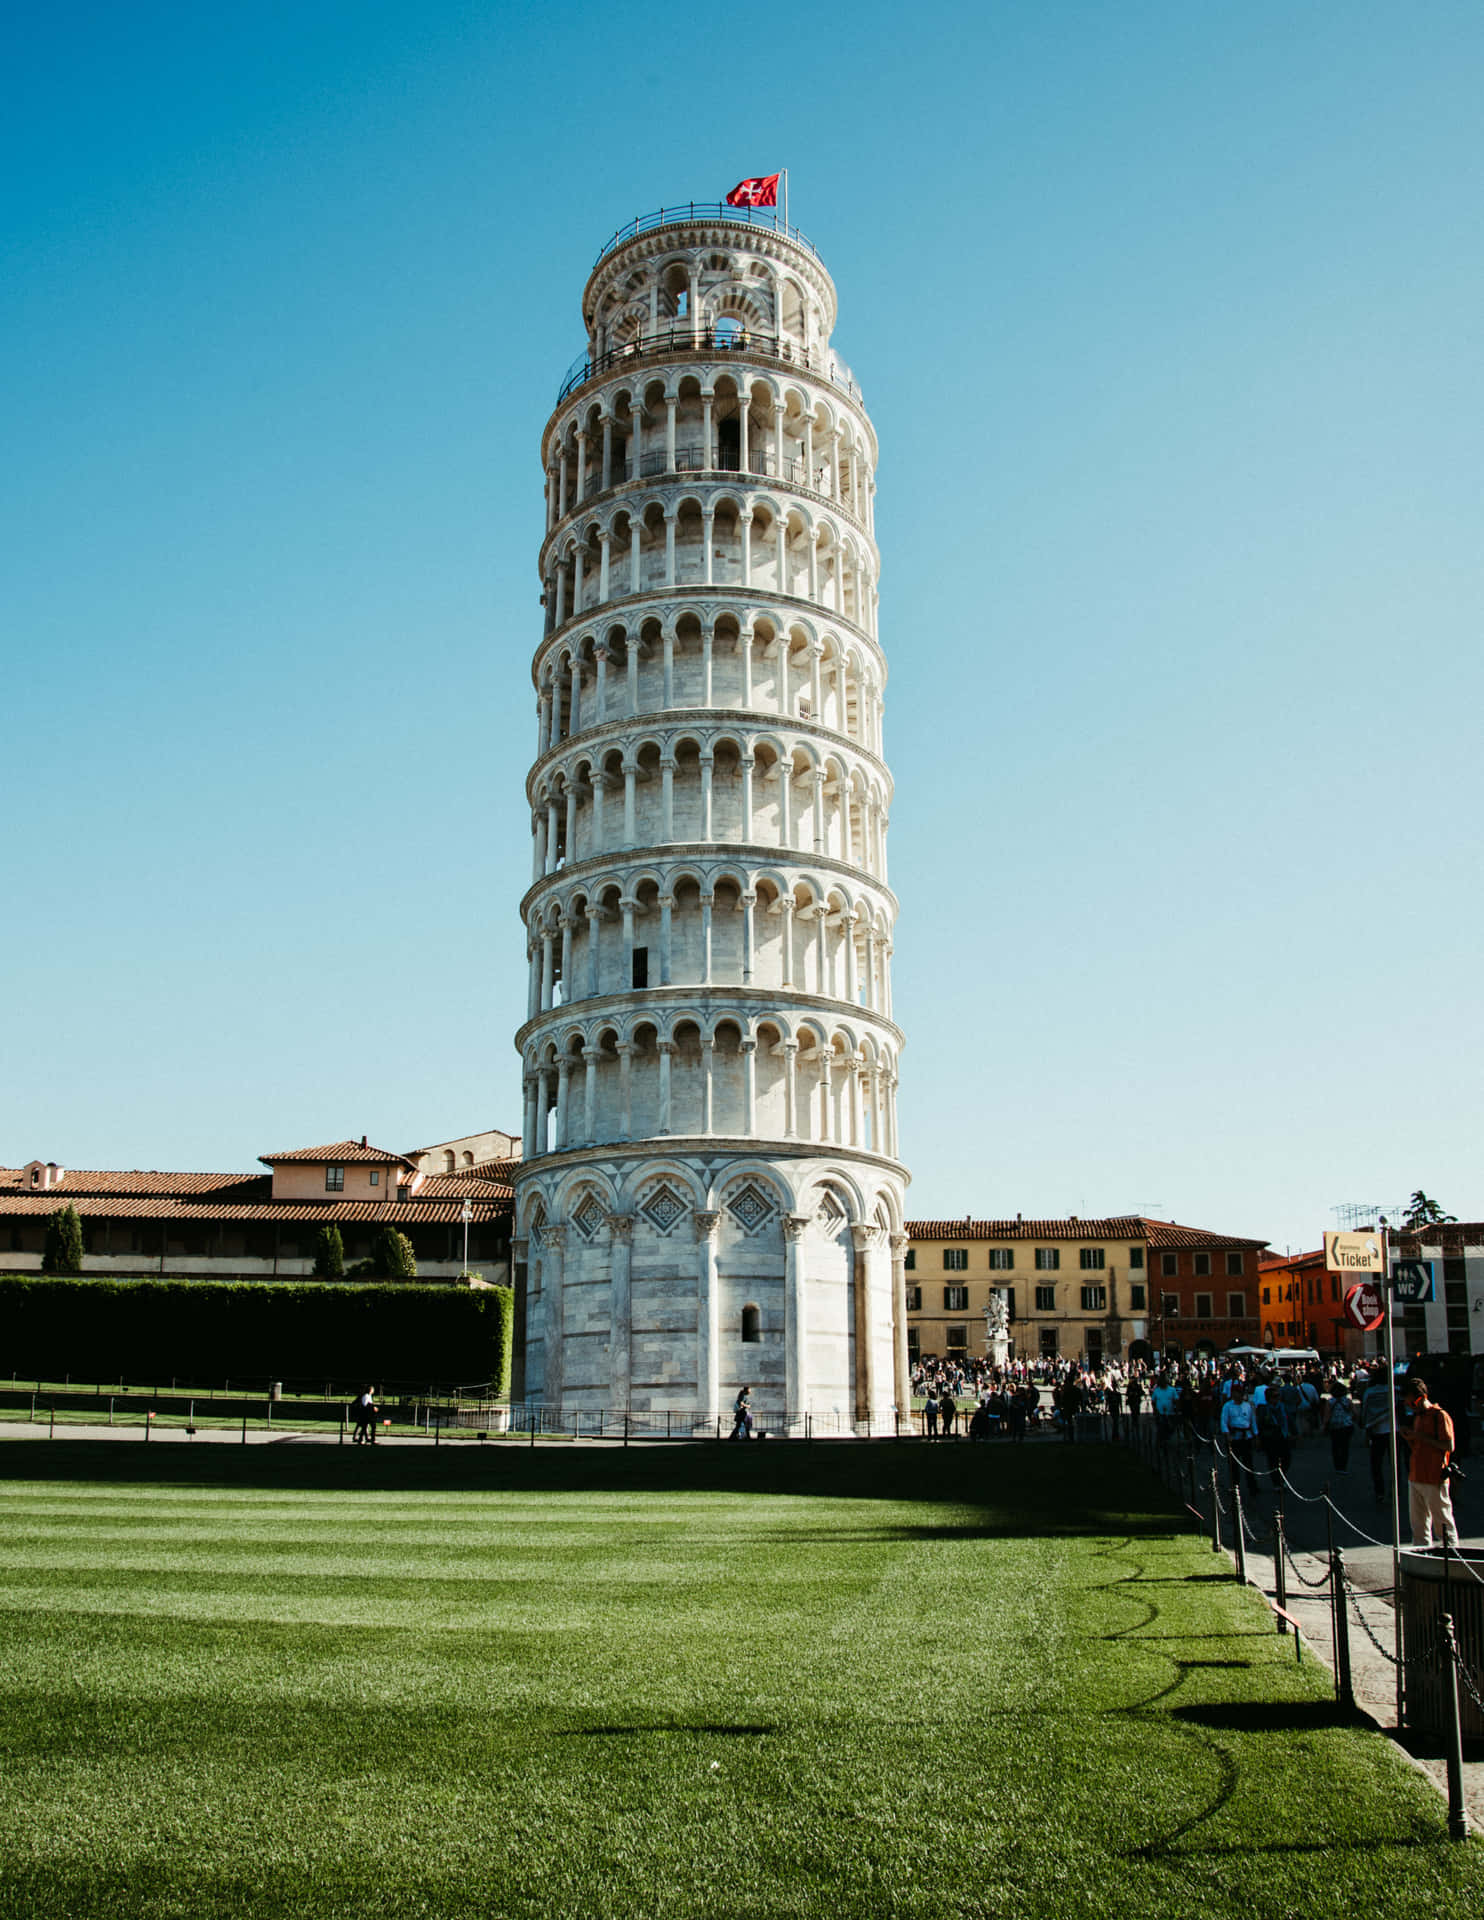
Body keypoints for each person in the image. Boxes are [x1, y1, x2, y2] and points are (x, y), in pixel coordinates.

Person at [1403, 1374, 1459, 1548]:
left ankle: (1451, 1558)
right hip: (1416, 1476)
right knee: (1419, 1526)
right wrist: (1410, 1438)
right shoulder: (1418, 1417)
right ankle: (1423, 1557)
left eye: (1412, 1402)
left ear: (1422, 1398)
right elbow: (1420, 1447)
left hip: (1434, 1477)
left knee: (1442, 1523)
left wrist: (1419, 1436)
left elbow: (1449, 1445)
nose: (1410, 1406)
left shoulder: (1439, 1416)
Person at [1361, 1368, 1397, 1504]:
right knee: (1394, 1463)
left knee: (1376, 1464)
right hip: (1394, 1430)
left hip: (1377, 1431)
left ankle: (1379, 1491)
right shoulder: (1394, 1390)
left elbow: (1365, 1411)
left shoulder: (1370, 1392)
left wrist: (1366, 1428)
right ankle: (1395, 1489)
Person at [1220, 1381, 1259, 1496]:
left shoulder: (1247, 1406)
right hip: (1234, 1437)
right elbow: (1224, 1422)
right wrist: (1227, 1435)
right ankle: (1234, 1486)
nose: (1239, 1395)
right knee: (1234, 1465)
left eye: (1241, 1393)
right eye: (1237, 1393)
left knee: (1249, 1463)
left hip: (1246, 1437)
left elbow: (1253, 1422)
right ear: (1233, 1394)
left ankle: (1252, 1486)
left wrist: (1256, 1436)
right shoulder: (1228, 1406)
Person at [1324, 1380, 1356, 1475]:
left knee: (1335, 1446)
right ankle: (1343, 1466)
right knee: (1345, 1446)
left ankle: (1337, 1465)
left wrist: (1325, 1425)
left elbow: (1327, 1416)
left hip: (1335, 1426)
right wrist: (1352, 1419)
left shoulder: (1330, 1402)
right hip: (1346, 1425)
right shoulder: (1348, 1401)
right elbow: (1355, 1413)